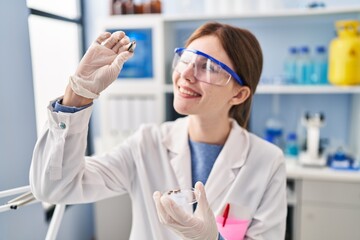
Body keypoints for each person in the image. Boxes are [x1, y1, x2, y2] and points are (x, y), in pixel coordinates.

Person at [30, 22, 287, 239]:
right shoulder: (147, 143)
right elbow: (55, 188)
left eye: (208, 68)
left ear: (239, 94)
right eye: (186, 59)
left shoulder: (266, 161)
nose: (185, 73)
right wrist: (77, 96)